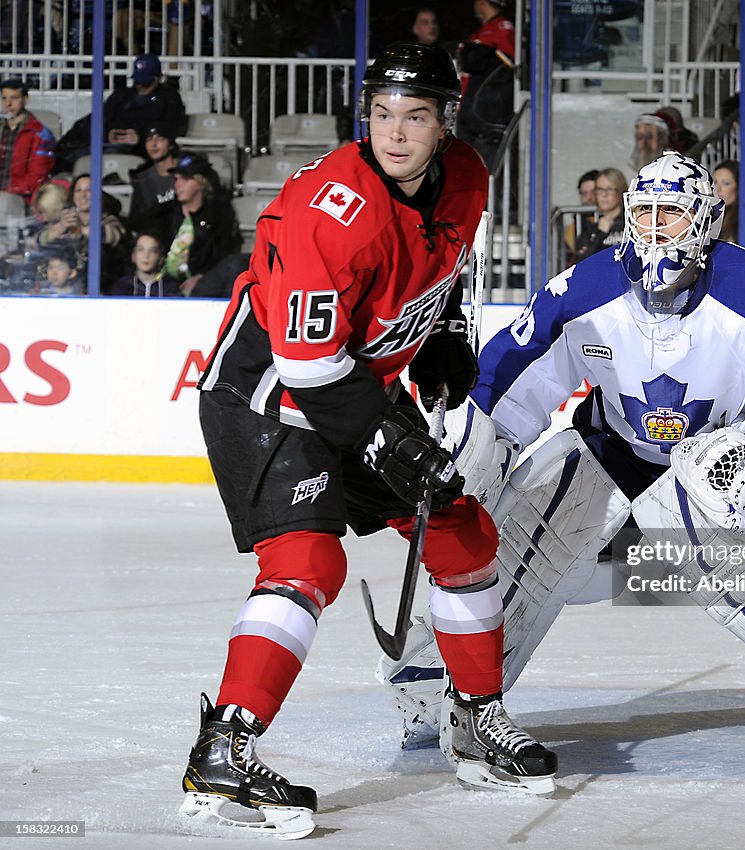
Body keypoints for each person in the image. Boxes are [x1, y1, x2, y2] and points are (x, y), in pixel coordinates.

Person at [379, 152, 745, 778]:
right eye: (644, 213)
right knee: (526, 524)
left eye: (673, 214)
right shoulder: (585, 289)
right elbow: (510, 377)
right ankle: (437, 679)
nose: (656, 229)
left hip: (724, 462)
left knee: (711, 524)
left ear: (706, 221)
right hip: (615, 453)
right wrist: (477, 445)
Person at [178, 43, 557, 839]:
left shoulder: (467, 177)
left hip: (356, 389)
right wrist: (388, 439)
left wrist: (446, 333)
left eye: (415, 115)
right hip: (268, 400)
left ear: (445, 123)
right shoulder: (325, 211)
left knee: (461, 533)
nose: (395, 132)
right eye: (381, 113)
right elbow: (306, 365)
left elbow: (444, 265)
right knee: (310, 561)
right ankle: (224, 750)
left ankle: (476, 722)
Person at [139, 152, 240, 296]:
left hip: (203, 284)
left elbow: (224, 254)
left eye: (184, 179)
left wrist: (201, 276)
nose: (177, 185)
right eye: (176, 179)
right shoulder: (162, 213)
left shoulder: (219, 214)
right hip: (160, 283)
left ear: (201, 182)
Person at [38, 173, 128, 292]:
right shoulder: (64, 219)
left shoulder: (108, 219)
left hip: (100, 285)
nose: (83, 196)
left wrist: (81, 228)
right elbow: (40, 240)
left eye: (89, 190)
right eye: (78, 191)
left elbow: (114, 236)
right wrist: (61, 227)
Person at [457, 0, 516, 170]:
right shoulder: (480, 32)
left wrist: (478, 54)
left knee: (485, 170)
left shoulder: (502, 27)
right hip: (469, 112)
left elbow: (508, 67)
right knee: (464, 166)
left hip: (488, 117)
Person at [103, 53, 187, 154]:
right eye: (138, 82)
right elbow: (102, 119)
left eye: (146, 82)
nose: (141, 86)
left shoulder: (169, 98)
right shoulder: (121, 96)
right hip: (114, 146)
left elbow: (172, 127)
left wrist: (141, 137)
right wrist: (108, 133)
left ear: (159, 78)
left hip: (148, 150)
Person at [0, 78, 55, 201]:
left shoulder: (41, 134)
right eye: (4, 98)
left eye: (14, 98)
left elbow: (37, 178)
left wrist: (7, 190)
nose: (8, 104)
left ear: (25, 100)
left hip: (21, 200)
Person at [127, 121, 179, 228]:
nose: (154, 144)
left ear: (171, 144)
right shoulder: (141, 179)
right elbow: (136, 221)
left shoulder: (187, 172)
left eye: (160, 138)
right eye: (149, 139)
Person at [573, 166, 627, 262]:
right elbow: (583, 264)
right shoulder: (590, 229)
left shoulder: (632, 224)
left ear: (620, 191)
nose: (604, 194)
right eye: (599, 189)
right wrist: (600, 233)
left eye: (609, 189)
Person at [713, 158, 745, 248]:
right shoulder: (708, 215)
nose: (718, 189)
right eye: (715, 183)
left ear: (739, 187)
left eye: (726, 183)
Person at [109, 231, 177, 297]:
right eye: (141, 249)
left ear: (161, 258)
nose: (146, 255)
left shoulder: (171, 287)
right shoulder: (122, 286)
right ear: (133, 256)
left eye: (153, 251)